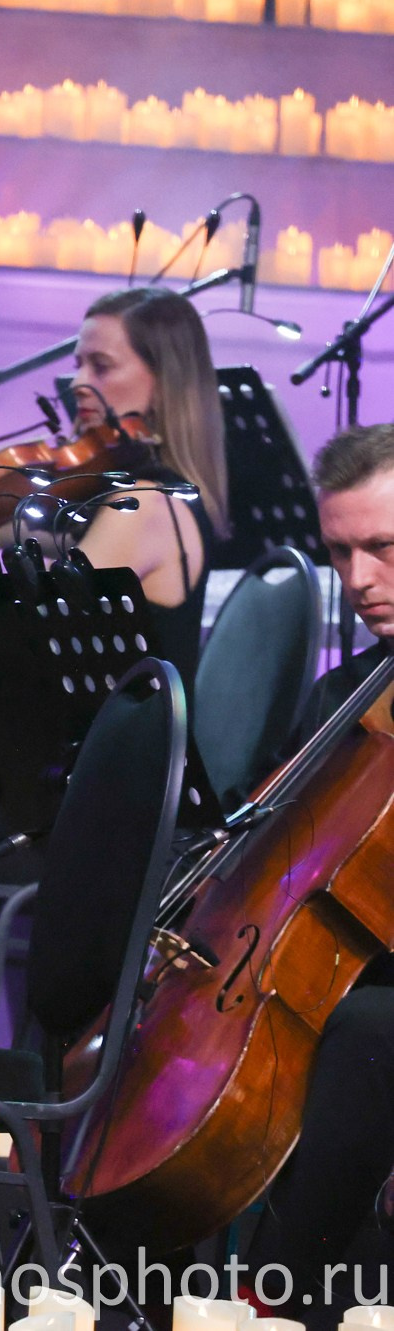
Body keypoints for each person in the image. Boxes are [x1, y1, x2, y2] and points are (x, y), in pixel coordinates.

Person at [0, 285, 230, 910]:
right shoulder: (103, 494)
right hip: (48, 777)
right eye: (76, 363)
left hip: (89, 798)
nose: (77, 383)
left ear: (164, 380)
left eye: (102, 366)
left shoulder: (145, 505)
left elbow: (27, 625)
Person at [238, 424, 394, 1321]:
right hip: (351, 981)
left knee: (368, 1031)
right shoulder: (350, 696)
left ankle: (274, 1301)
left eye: (383, 548)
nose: (357, 581)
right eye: (340, 551)